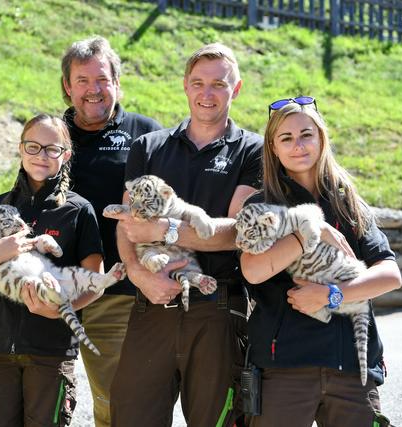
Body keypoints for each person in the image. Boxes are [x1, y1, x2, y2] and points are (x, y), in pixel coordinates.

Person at [105, 43, 263, 426]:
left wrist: (167, 230)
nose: (207, 94)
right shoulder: (149, 146)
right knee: (131, 416)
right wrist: (138, 273)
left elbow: (237, 233)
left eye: (218, 85)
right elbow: (128, 222)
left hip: (218, 310)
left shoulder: (254, 151)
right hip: (151, 303)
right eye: (198, 83)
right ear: (185, 86)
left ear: (236, 89)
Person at [238, 97, 402, 427]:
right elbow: (253, 271)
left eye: (306, 134)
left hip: (351, 368)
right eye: (286, 138)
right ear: (273, 147)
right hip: (283, 367)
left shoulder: (348, 201)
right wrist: (307, 230)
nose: (297, 145)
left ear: (321, 138)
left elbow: (389, 274)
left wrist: (331, 295)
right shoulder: (261, 205)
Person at [0, 114, 106, 427]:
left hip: (49, 349)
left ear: (65, 155)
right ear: (20, 149)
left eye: (51, 149)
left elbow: (96, 283)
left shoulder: (79, 211)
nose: (41, 155)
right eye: (33, 147)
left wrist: (62, 310)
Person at [60, 36, 162, 427]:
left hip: (115, 293)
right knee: (49, 397)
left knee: (118, 400)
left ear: (117, 82)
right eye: (82, 80)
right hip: (58, 289)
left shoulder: (147, 134)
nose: (93, 90)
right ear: (68, 87)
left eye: (101, 79)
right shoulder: (53, 136)